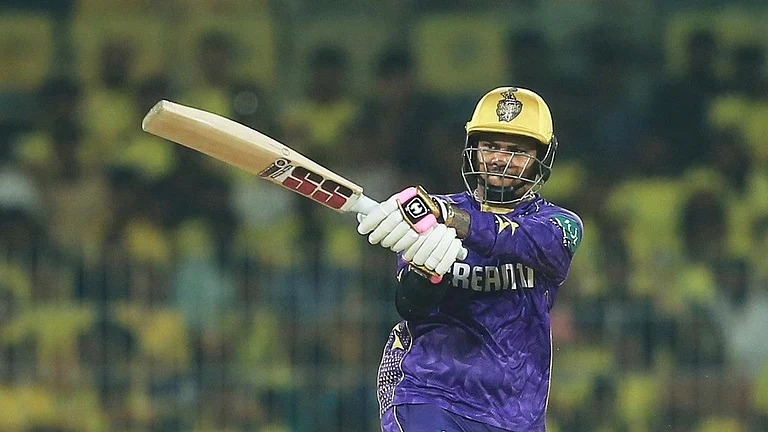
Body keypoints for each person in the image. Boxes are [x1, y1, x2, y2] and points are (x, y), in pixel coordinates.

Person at [357, 87, 583, 431]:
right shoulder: (429, 218)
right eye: (491, 146)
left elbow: (520, 240)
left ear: (543, 158)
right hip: (430, 391)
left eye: (517, 151)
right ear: (473, 150)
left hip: (515, 412)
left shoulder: (559, 225)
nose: (500, 159)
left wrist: (450, 218)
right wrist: (427, 271)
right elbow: (410, 306)